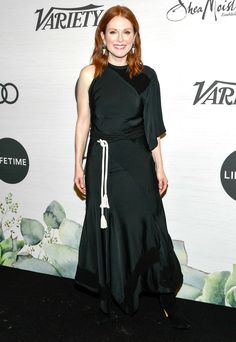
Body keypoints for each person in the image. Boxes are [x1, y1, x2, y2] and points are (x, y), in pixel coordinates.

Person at [74, 5, 190, 329]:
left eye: (127, 32)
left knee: (150, 226)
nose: (120, 38)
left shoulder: (147, 76)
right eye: (113, 31)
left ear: (135, 36)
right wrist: (78, 165)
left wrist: (160, 169)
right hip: (102, 162)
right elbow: (83, 122)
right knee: (106, 227)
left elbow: (152, 130)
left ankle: (166, 298)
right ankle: (110, 297)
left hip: (137, 162)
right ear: (102, 36)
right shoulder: (89, 74)